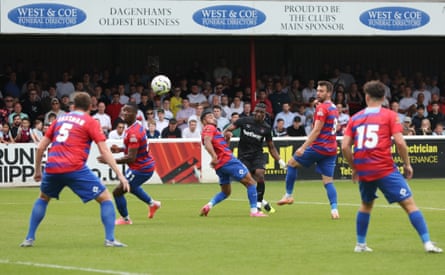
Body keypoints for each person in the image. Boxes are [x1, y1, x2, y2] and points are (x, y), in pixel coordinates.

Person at [341, 80, 442, 253]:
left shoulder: (355, 118)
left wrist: (355, 167)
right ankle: (427, 243)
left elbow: (344, 147)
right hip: (384, 167)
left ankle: (360, 244)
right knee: (409, 204)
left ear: (366, 97)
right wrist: (407, 164)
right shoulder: (389, 115)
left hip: (365, 168)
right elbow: (400, 143)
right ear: (384, 98)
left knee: (366, 204)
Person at [20, 92, 129, 248]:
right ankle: (110, 239)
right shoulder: (90, 121)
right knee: (105, 198)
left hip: (53, 166)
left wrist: (38, 170)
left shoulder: (59, 120)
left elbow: (41, 147)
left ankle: (29, 238)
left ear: (73, 105)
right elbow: (104, 150)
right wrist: (120, 175)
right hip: (74, 167)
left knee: (43, 198)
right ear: (90, 107)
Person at [277, 80, 340, 219]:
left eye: (321, 91)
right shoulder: (333, 107)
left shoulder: (322, 108)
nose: (318, 93)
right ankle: (334, 209)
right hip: (331, 148)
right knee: (328, 180)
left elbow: (317, 130)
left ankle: (288, 195)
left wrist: (303, 147)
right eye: (317, 90)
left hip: (319, 146)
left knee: (292, 164)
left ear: (329, 93)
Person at [99, 103, 161, 225]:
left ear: (134, 114)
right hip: (142, 166)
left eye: (127, 111)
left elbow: (131, 158)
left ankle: (125, 219)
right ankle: (153, 204)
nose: (124, 113)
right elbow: (134, 149)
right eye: (123, 111)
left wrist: (110, 160)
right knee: (131, 187)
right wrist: (120, 149)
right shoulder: (135, 127)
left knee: (118, 192)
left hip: (141, 168)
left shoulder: (133, 133)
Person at [200, 109, 267, 217]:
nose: (213, 117)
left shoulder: (215, 130)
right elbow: (207, 141)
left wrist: (227, 139)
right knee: (251, 183)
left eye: (213, 116)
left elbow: (222, 147)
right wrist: (214, 156)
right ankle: (254, 211)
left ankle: (209, 206)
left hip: (220, 166)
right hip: (228, 161)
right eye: (209, 116)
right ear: (204, 121)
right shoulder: (209, 128)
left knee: (226, 192)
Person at [224, 103, 286, 214]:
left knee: (260, 174)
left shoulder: (266, 128)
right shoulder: (244, 121)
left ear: (264, 114)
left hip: (257, 155)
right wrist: (228, 133)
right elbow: (229, 128)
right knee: (248, 181)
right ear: (254, 111)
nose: (258, 114)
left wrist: (280, 161)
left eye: (261, 112)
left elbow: (271, 147)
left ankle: (257, 205)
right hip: (243, 156)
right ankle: (263, 202)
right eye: (257, 111)